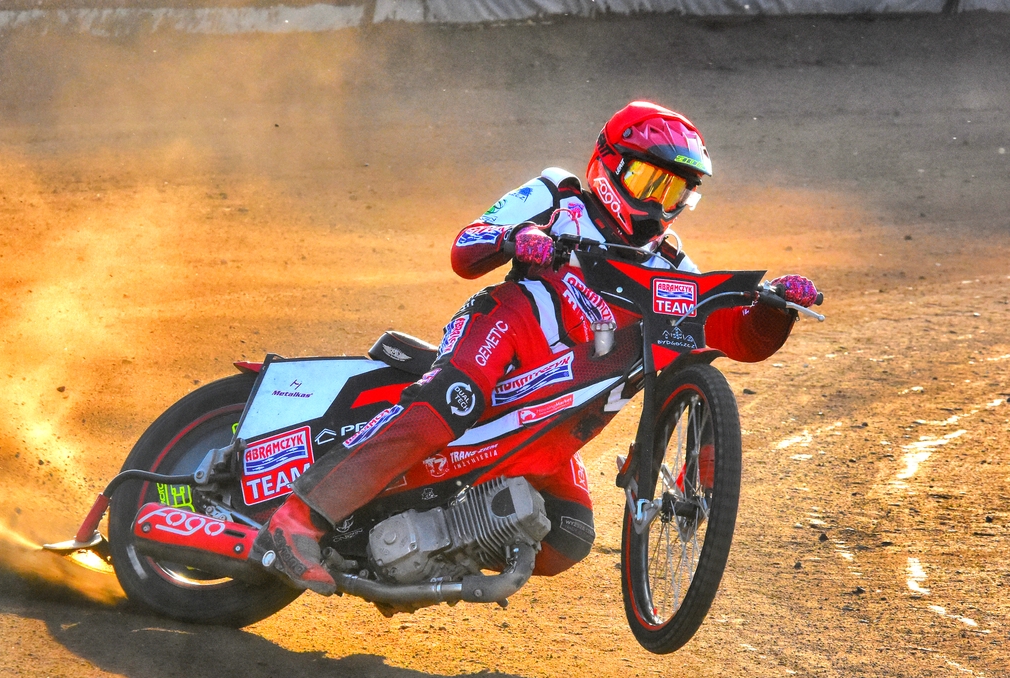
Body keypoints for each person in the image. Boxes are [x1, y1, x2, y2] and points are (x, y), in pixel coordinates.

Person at [254, 101, 820, 595]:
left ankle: (411, 552)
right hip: (506, 328)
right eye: (650, 181)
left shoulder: (672, 267)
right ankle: (298, 519)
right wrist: (517, 237)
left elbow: (734, 337)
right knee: (451, 400)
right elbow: (466, 248)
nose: (658, 202)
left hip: (551, 422)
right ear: (610, 164)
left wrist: (773, 311)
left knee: (568, 537)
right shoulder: (557, 192)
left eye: (674, 191)